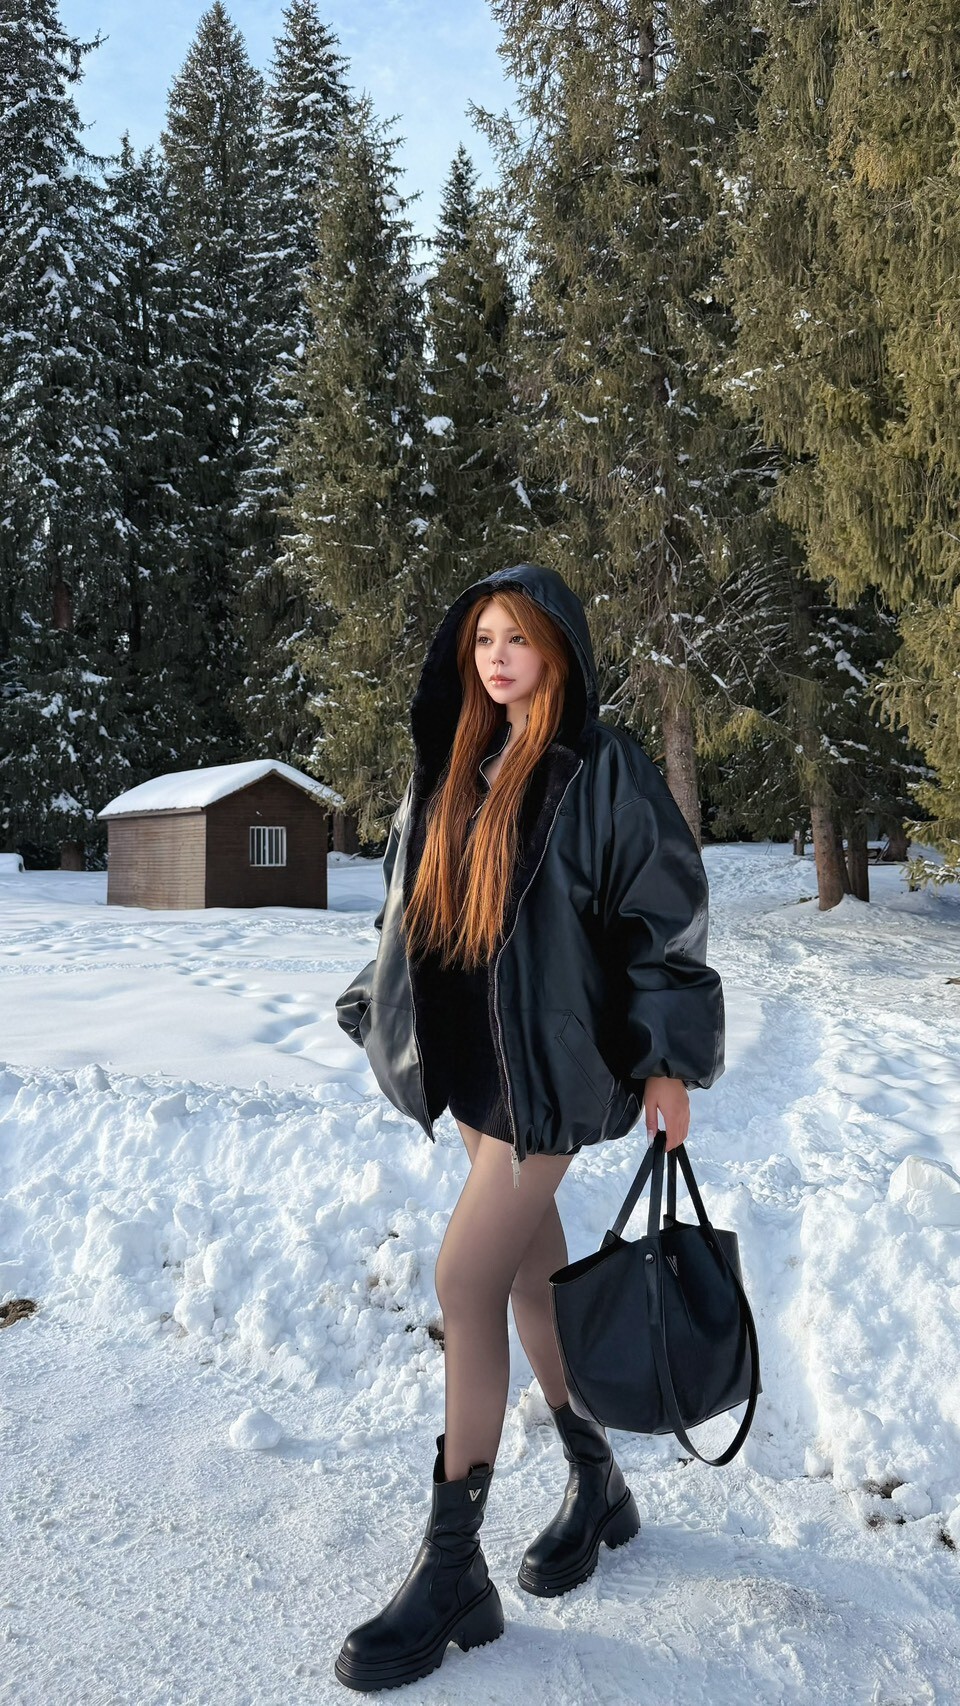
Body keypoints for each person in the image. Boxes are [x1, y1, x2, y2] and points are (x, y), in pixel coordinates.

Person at [333, 562, 724, 1692]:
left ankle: (454, 1567)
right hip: (473, 1066)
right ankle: (598, 1481)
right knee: (524, 1276)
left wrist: (666, 1058)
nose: (497, 657)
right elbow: (409, 901)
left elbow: (666, 910)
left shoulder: (599, 768)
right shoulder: (459, 757)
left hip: (550, 1066)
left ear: (557, 647)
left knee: (462, 1280)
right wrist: (377, 996)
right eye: (483, 639)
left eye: (517, 637)